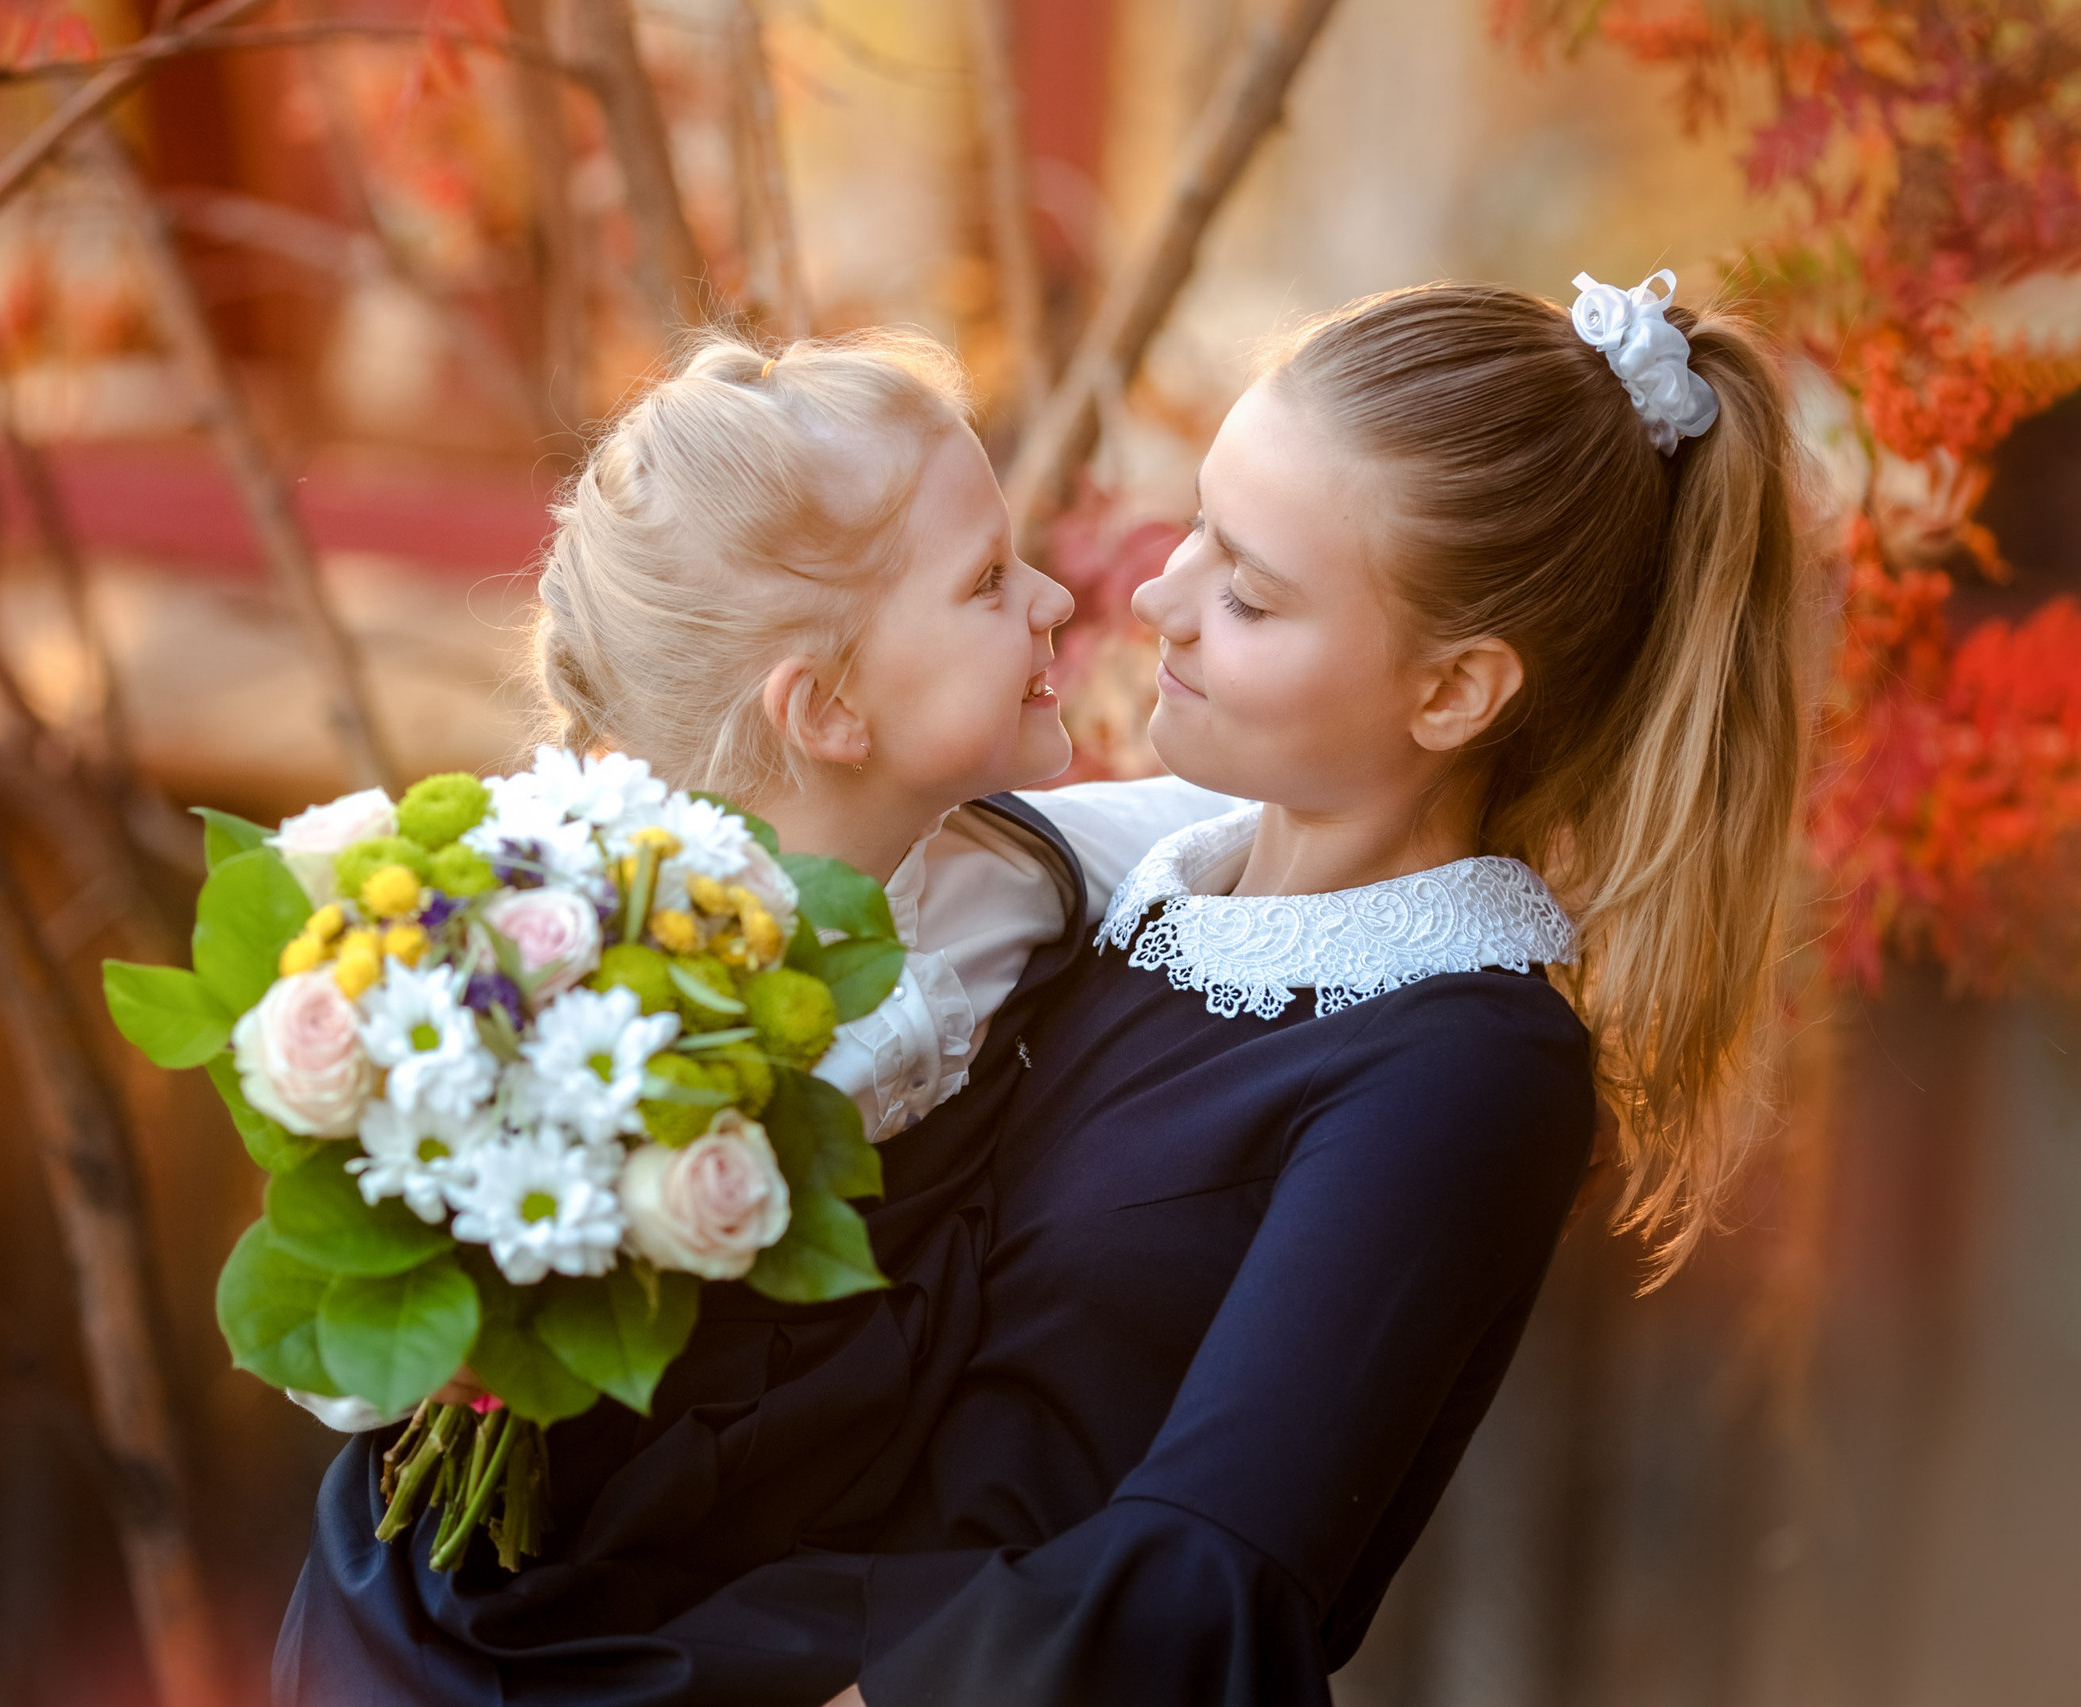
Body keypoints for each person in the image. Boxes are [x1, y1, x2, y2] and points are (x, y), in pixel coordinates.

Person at [281, 271, 1808, 1707]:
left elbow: (1215, 1569)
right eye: (1198, 527)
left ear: (1455, 689)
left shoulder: (1462, 1055)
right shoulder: (1119, 889)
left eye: (1256, 598)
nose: (1153, 600)